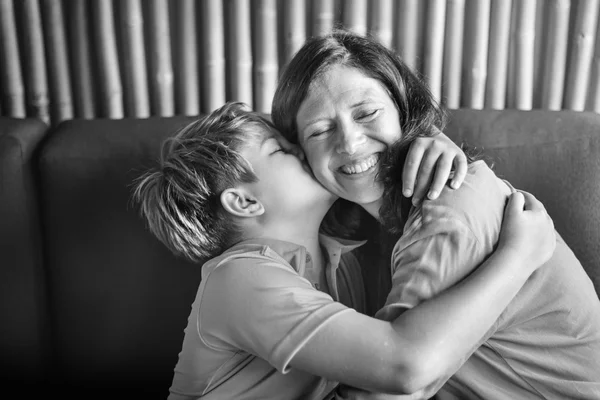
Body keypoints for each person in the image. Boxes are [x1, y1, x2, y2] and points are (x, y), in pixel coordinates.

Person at [132, 101, 556, 400]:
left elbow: (384, 169)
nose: (304, 150)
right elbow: (406, 367)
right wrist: (518, 256)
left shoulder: (340, 249)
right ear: (244, 202)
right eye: (281, 150)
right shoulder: (238, 279)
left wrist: (432, 142)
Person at [271, 29, 600, 399]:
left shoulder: (449, 207)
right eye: (320, 131)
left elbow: (386, 390)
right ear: (299, 153)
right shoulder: (352, 221)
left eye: (367, 113)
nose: (349, 142)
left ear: (403, 110)